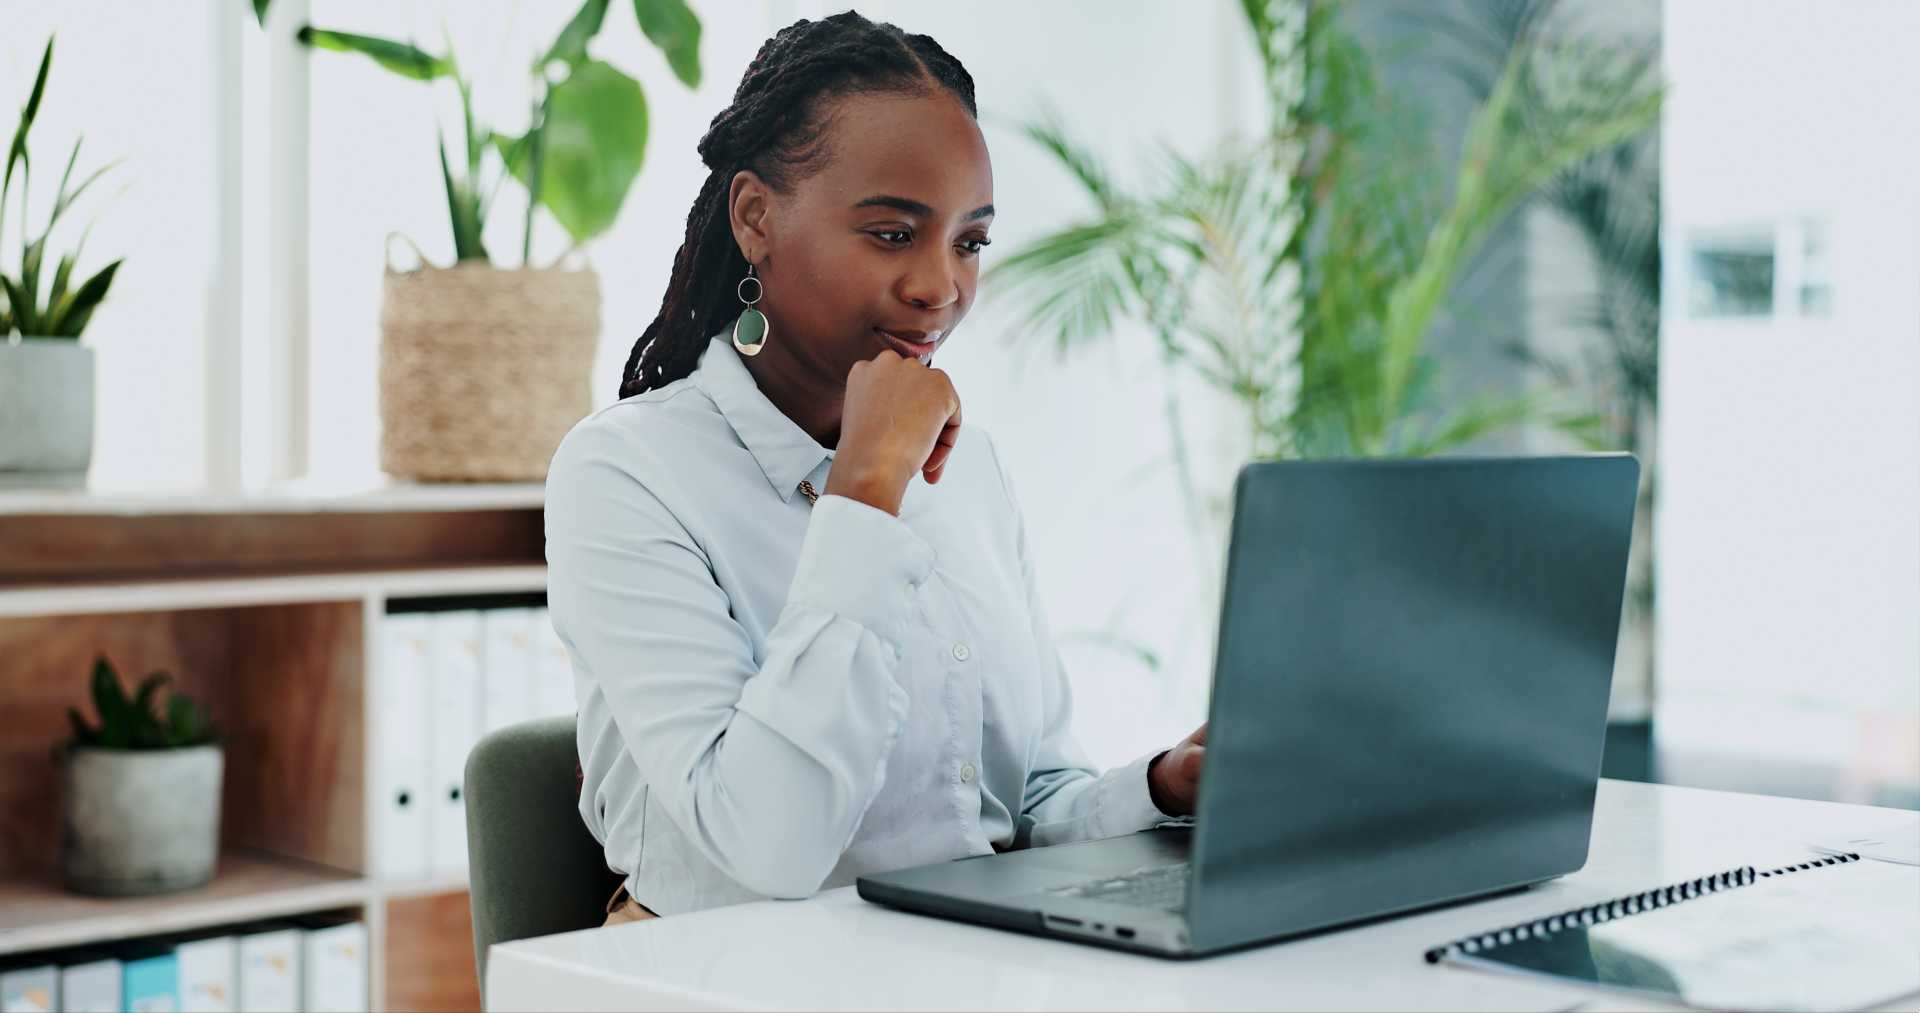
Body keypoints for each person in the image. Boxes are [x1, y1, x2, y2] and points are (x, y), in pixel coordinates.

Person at [544, 10, 1207, 927]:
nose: (940, 286)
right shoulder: (625, 474)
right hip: (724, 976)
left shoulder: (970, 469)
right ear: (755, 217)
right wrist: (866, 492)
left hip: (957, 961)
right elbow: (768, 850)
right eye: (894, 234)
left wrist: (1163, 789)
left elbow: (1022, 808)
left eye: (969, 241)